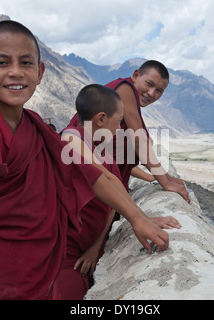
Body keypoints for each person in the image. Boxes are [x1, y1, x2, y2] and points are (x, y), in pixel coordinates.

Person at [0, 21, 169, 300]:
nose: (15, 72)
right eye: (1, 63)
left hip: (42, 266)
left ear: (40, 72)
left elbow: (91, 176)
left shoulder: (38, 129)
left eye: (25, 63)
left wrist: (136, 217)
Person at [53, 84, 181, 300]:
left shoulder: (97, 146)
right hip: (65, 252)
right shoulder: (71, 138)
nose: (121, 128)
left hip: (90, 246)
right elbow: (107, 179)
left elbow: (111, 204)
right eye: (119, 121)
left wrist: (95, 246)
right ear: (101, 119)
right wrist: (141, 218)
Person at [67, 61, 191, 205]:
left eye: (159, 91)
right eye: (149, 84)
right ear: (136, 75)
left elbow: (114, 157)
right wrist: (166, 183)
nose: (152, 93)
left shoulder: (125, 104)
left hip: (103, 184)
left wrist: (163, 177)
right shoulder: (126, 89)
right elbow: (139, 140)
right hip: (89, 182)